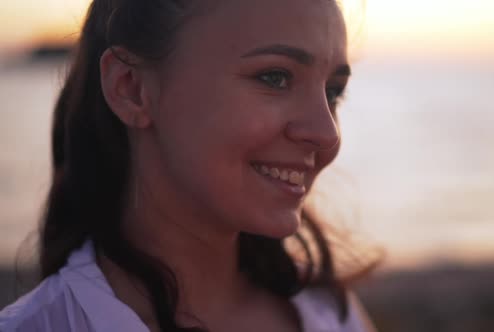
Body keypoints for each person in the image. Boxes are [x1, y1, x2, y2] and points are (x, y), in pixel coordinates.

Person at [0, 0, 378, 331]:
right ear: (130, 87)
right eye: (274, 77)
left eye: (333, 92)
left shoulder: (329, 312)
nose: (327, 134)